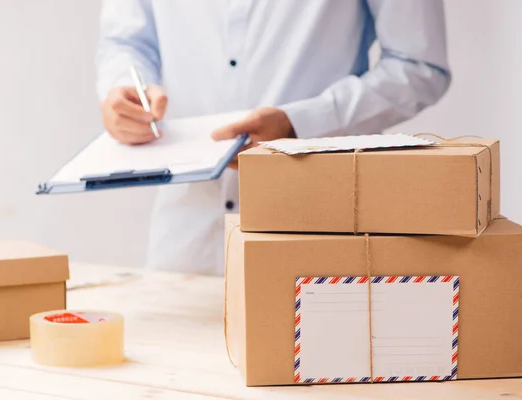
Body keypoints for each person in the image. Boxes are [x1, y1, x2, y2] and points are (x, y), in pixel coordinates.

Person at [96, 0, 451, 276]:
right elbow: (125, 41)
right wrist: (124, 89)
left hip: (315, 222)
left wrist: (300, 124)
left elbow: (419, 66)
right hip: (187, 233)